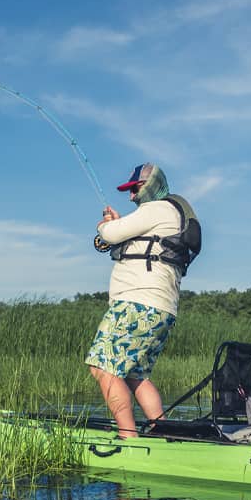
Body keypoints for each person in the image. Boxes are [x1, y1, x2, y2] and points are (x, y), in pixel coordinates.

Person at [85, 163, 196, 438]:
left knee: (103, 367)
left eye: (135, 189)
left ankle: (128, 437)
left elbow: (109, 235)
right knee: (136, 375)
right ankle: (163, 432)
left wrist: (106, 224)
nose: (132, 196)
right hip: (160, 309)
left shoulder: (157, 209)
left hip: (137, 305)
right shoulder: (167, 214)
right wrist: (118, 223)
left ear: (150, 186)